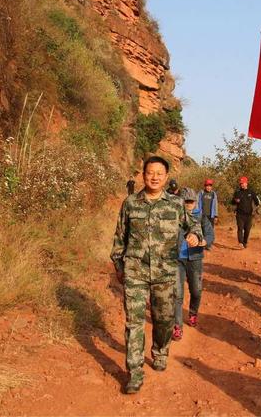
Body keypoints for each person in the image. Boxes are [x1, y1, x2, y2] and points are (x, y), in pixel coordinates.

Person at [111, 156, 203, 394]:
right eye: (150, 172)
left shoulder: (175, 204)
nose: (154, 177)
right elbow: (120, 237)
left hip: (165, 273)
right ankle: (134, 371)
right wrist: (119, 266)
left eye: (159, 173)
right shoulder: (130, 203)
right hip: (136, 272)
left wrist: (194, 236)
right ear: (143, 175)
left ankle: (160, 351)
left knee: (164, 320)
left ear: (166, 177)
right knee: (134, 323)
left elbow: (194, 225)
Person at [173, 187, 214, 341]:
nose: (188, 204)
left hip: (195, 259)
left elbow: (210, 235)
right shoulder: (175, 217)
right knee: (177, 294)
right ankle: (177, 326)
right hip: (177, 259)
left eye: (191, 201)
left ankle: (193, 314)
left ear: (196, 202)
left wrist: (204, 241)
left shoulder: (201, 217)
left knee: (196, 291)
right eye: (185, 201)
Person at [232, 176, 260, 249]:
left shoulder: (251, 192)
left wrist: (257, 210)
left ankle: (245, 242)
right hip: (239, 214)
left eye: (243, 183)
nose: (242, 185)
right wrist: (235, 200)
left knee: (247, 230)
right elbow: (232, 202)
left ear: (246, 183)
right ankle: (240, 243)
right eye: (241, 184)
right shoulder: (237, 192)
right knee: (240, 228)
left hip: (249, 215)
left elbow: (257, 202)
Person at [197, 178, 218, 250]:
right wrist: (197, 213)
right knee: (202, 229)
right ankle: (202, 244)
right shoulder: (201, 193)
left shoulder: (213, 194)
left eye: (210, 186)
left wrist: (216, 215)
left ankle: (208, 245)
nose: (208, 187)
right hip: (202, 215)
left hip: (211, 215)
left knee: (210, 230)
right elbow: (197, 203)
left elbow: (215, 205)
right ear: (205, 186)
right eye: (207, 186)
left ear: (211, 186)